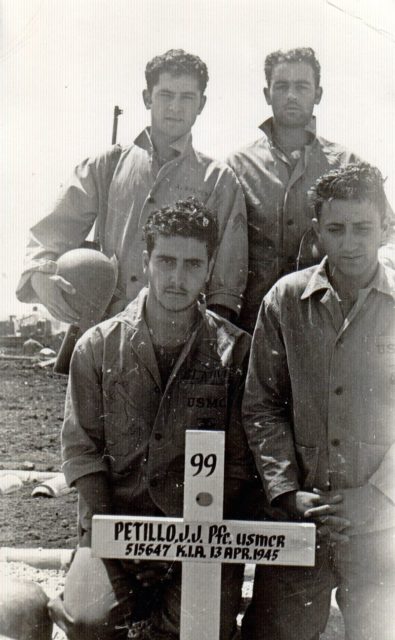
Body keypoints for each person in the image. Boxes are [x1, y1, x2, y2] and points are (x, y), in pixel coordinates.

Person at [48, 198, 252, 640]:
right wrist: (115, 547)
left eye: (192, 264)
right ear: (146, 260)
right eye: (166, 261)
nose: (178, 278)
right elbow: (82, 455)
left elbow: (238, 465)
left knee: (202, 627)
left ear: (210, 265)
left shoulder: (235, 351)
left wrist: (181, 548)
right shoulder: (97, 346)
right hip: (114, 525)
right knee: (88, 620)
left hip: (200, 534)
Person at [241, 163, 395, 640]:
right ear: (316, 233)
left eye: (363, 228)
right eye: (336, 228)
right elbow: (261, 403)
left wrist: (377, 496)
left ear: (386, 226)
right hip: (301, 522)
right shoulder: (285, 301)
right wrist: (288, 493)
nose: (350, 242)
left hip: (383, 528)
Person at [16, 49, 247, 324]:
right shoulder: (107, 164)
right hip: (106, 326)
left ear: (202, 104)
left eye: (187, 97)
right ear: (147, 98)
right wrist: (40, 275)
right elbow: (51, 232)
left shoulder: (219, 180)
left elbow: (226, 284)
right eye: (165, 95)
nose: (175, 106)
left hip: (180, 332)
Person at [227, 47, 395, 332]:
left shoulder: (348, 164)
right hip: (254, 325)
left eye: (301, 86)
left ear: (318, 94)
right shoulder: (237, 167)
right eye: (282, 86)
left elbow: (388, 238)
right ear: (267, 94)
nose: (291, 95)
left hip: (333, 324)